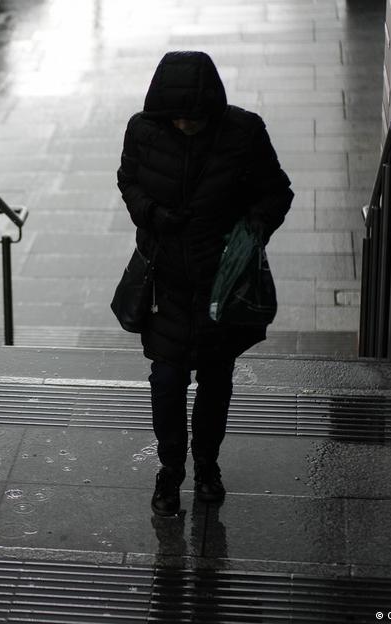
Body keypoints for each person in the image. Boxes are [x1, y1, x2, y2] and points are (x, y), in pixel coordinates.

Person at [117, 51, 293, 515]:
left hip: (223, 284)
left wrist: (249, 234)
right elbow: (129, 181)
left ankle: (207, 465)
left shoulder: (244, 132)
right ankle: (171, 469)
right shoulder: (143, 130)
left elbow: (276, 192)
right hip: (166, 284)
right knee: (166, 380)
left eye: (195, 117)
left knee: (217, 380)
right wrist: (153, 214)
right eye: (178, 117)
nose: (186, 124)